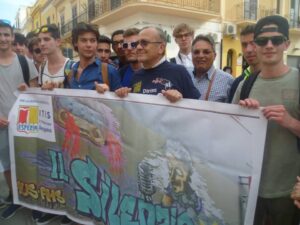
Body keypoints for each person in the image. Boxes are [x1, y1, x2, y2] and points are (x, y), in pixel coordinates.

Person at [232, 15, 300, 225]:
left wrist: (290, 122)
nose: (269, 46)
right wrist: (244, 115)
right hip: (250, 187)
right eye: (262, 41)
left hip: (289, 191)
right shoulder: (246, 84)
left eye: (276, 40)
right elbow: (229, 130)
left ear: (286, 44)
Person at [0, 19, 38, 220]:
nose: (3, 38)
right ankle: (15, 198)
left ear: (12, 37)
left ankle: (33, 198)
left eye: (6, 34)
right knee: (7, 164)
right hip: (1, 126)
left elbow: (36, 92)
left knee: (29, 161)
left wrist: (28, 89)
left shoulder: (25, 62)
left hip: (26, 123)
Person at [115, 26, 200, 102]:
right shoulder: (136, 76)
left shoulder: (179, 72)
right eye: (138, 43)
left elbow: (198, 107)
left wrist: (181, 100)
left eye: (144, 43)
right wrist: (123, 95)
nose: (138, 47)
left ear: (161, 48)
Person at [70, 22, 121, 92]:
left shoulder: (110, 71)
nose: (88, 45)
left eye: (92, 40)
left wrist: (108, 94)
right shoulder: (70, 74)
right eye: (84, 40)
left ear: (97, 43)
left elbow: (120, 101)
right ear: (75, 43)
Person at [191, 34, 233, 102]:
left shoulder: (227, 80)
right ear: (192, 55)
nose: (201, 55)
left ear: (215, 56)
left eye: (206, 52)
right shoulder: (184, 76)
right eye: (196, 52)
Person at [228, 25, 260, 103]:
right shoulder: (238, 82)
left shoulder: (275, 77)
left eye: (253, 43)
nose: (248, 50)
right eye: (244, 45)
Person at [38, 24, 74, 90]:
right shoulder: (42, 67)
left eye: (46, 39)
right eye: (39, 40)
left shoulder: (71, 66)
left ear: (58, 42)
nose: (42, 43)